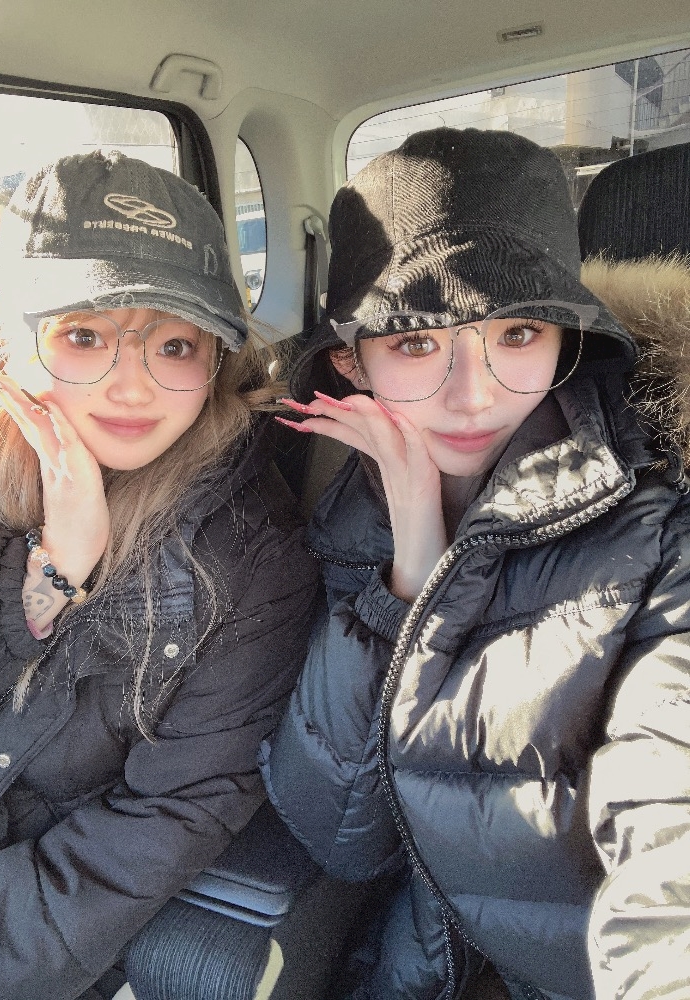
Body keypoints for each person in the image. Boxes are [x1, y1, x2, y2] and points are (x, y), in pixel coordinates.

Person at [260, 128, 690, 1000]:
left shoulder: (658, 529)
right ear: (350, 361)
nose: (473, 394)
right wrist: (412, 559)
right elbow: (340, 834)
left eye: (518, 331)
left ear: (569, 337)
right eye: (416, 342)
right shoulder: (354, 510)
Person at [0, 150, 317, 1000]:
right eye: (84, 336)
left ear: (216, 362)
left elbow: (168, 819)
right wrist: (52, 569)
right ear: (6, 340)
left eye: (175, 345)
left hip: (10, 906)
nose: (133, 387)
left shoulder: (253, 559)